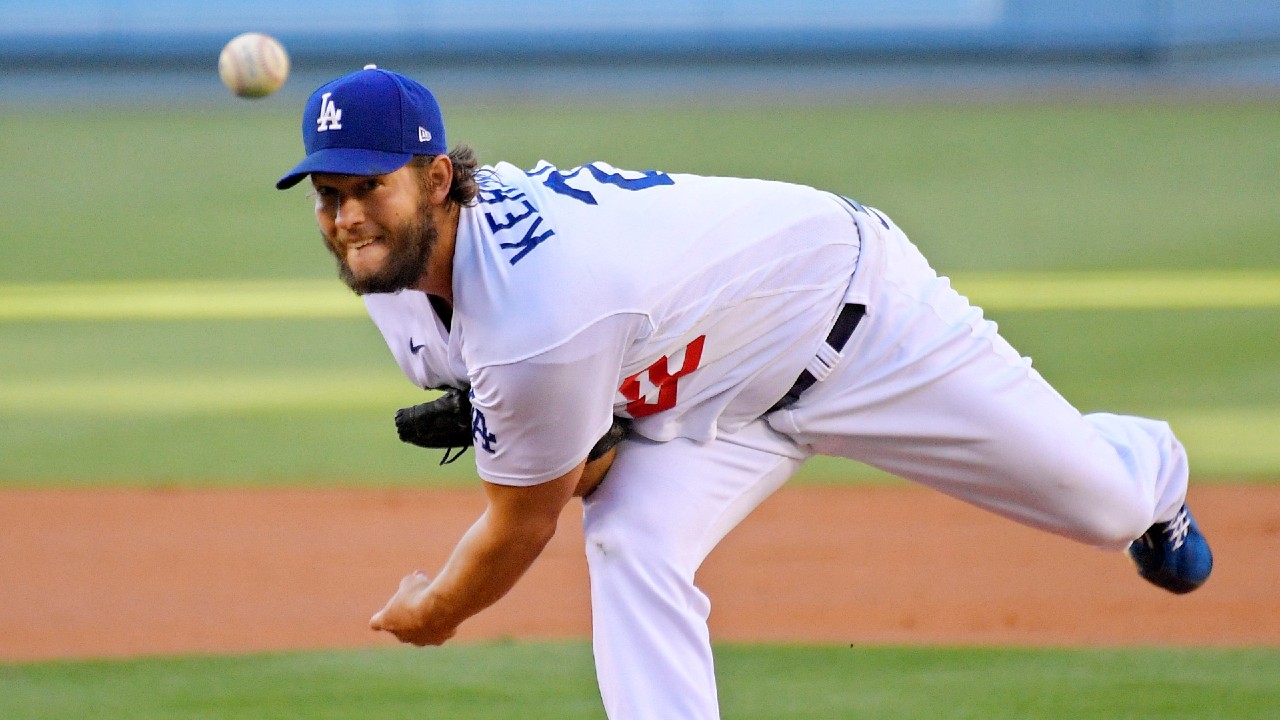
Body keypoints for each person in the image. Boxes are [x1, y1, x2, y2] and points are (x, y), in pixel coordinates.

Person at [276, 66, 1213, 719]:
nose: (347, 215)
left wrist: (435, 610)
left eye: (370, 185)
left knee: (1109, 506)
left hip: (858, 322)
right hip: (710, 401)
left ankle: (1153, 472)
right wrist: (559, 435)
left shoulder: (537, 316)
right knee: (633, 543)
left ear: (439, 179)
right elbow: (591, 467)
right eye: (327, 193)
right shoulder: (393, 272)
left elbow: (524, 523)